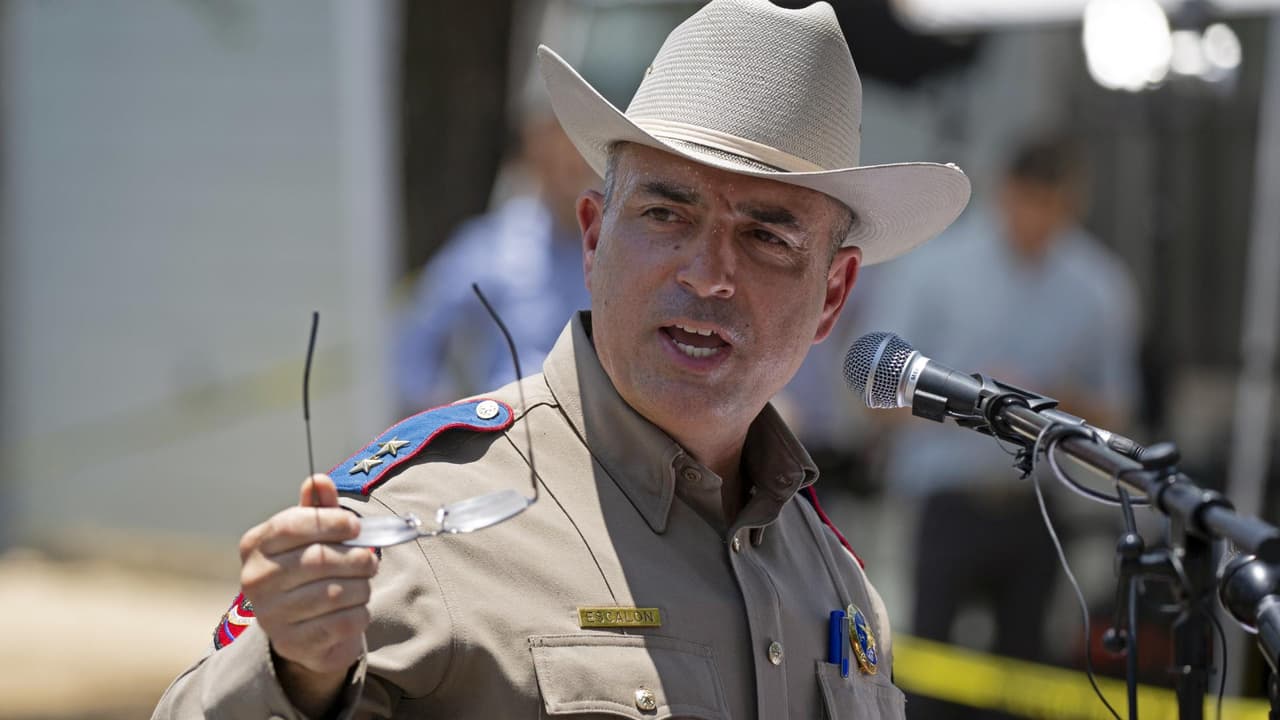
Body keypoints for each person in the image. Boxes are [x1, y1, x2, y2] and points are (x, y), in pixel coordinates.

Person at [152, 1, 970, 717]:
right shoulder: (421, 526)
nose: (707, 274)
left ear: (833, 294)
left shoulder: (834, 580)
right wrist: (295, 678)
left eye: (765, 236)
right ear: (593, 237)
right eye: (666, 214)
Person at [865, 135, 1139, 719]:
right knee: (928, 669)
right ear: (1005, 192)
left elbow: (1117, 413)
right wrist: (970, 399)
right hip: (947, 496)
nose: (1038, 221)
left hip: (1037, 504)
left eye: (1054, 206)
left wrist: (1048, 401)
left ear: (1074, 202)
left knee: (1025, 675)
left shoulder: (1099, 286)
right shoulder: (935, 268)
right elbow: (874, 389)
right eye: (1028, 202)